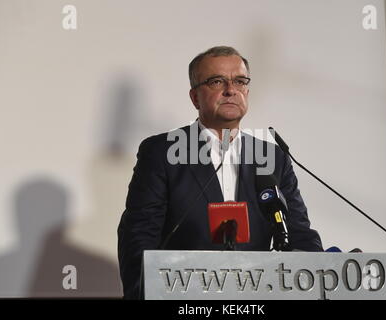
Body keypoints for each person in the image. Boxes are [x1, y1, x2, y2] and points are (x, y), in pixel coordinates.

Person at [117, 46, 323, 299]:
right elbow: (139, 236)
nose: (230, 90)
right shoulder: (161, 152)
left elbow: (299, 232)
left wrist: (320, 280)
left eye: (239, 81)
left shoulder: (272, 156)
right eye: (217, 81)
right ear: (195, 97)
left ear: (246, 90)